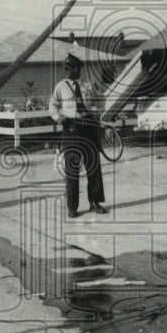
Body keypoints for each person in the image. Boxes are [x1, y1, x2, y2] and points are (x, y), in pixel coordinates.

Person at [48, 53, 107, 218]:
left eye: (68, 68)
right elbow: (52, 105)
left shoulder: (88, 85)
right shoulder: (61, 86)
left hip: (89, 127)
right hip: (71, 128)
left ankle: (94, 202)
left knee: (93, 166)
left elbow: (101, 100)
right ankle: (72, 207)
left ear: (76, 68)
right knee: (72, 169)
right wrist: (58, 117)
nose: (65, 71)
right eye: (64, 68)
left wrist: (97, 113)